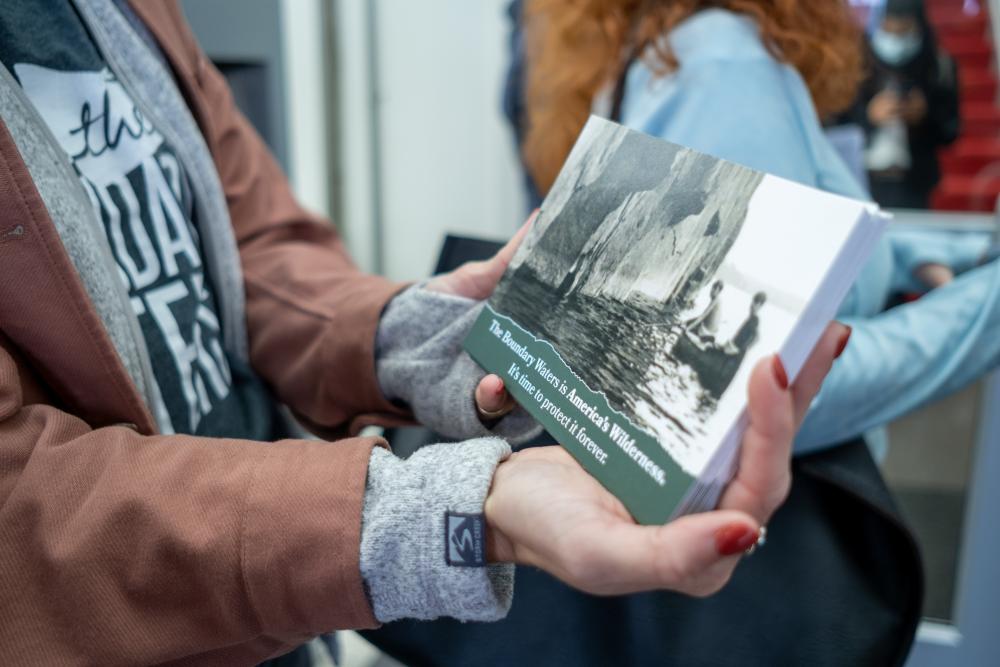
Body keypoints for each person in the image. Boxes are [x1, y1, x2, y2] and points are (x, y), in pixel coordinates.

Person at [0, 1, 845, 664]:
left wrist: (416, 335)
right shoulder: (728, 61)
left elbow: (247, 242)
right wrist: (452, 506)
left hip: (277, 620)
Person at [852, 0, 961, 209]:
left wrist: (924, 115)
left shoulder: (938, 67)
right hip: (863, 179)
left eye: (903, 31)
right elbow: (834, 123)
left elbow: (951, 131)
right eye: (889, 30)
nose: (894, 39)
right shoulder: (857, 64)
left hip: (915, 183)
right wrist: (869, 117)